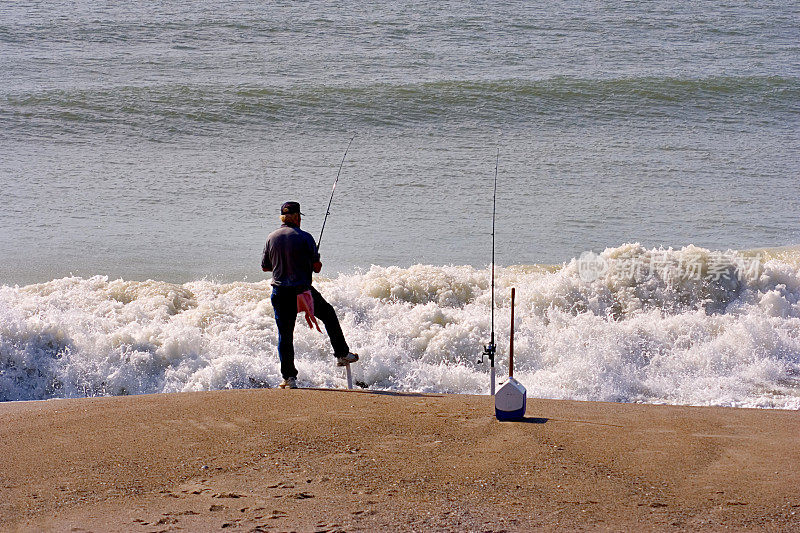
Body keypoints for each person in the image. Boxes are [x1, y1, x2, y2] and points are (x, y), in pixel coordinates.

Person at [262, 201, 358, 389]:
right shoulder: (305, 237)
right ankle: (341, 353)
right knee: (328, 314)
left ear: (282, 218)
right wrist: (314, 261)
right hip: (302, 292)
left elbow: (266, 267)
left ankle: (289, 378)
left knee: (285, 335)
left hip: (280, 292)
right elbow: (317, 268)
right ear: (297, 217)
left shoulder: (271, 237)